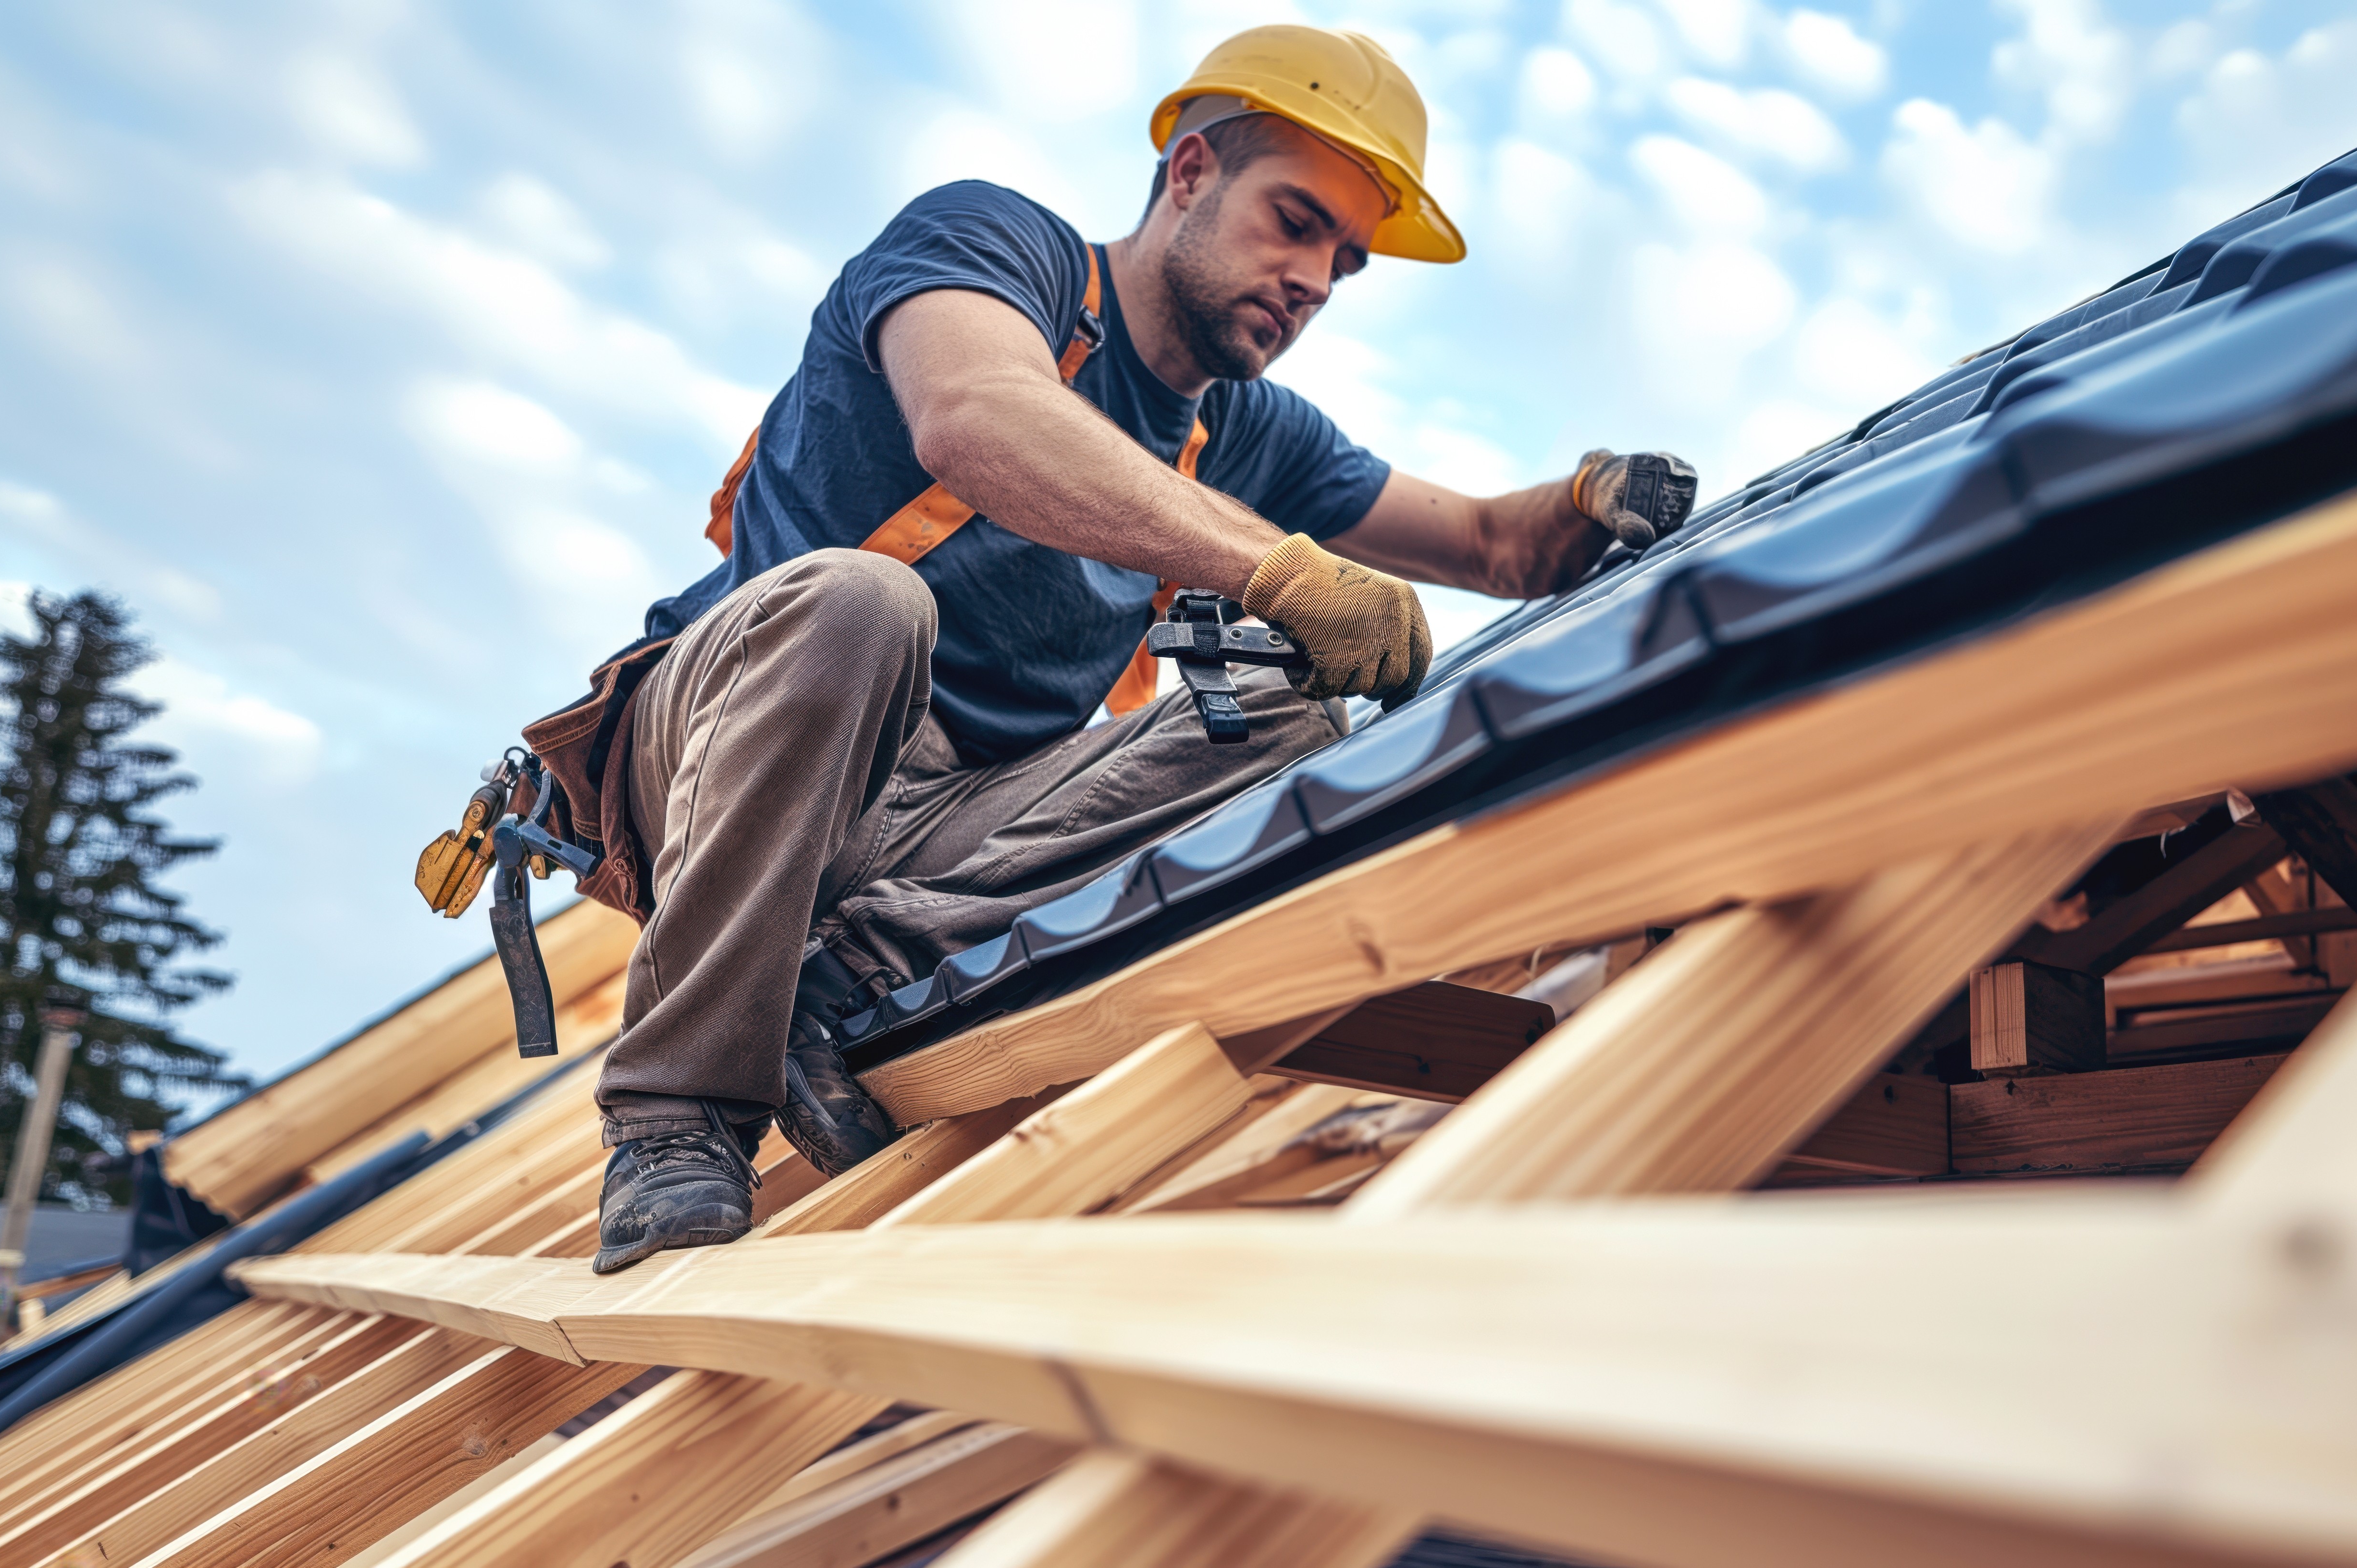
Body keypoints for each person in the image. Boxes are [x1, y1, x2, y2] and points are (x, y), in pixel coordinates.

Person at [563, 25, 1699, 1273]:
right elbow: (978, 417)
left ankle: (855, 976)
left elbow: (1490, 546)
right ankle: (677, 1121)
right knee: (867, 605)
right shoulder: (996, 250)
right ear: (1194, 173)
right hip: (733, 743)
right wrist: (1275, 569)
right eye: (1296, 220)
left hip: (948, 825)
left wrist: (1580, 505)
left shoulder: (1250, 433)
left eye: (1347, 261)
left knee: (1284, 711)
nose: (1316, 277)